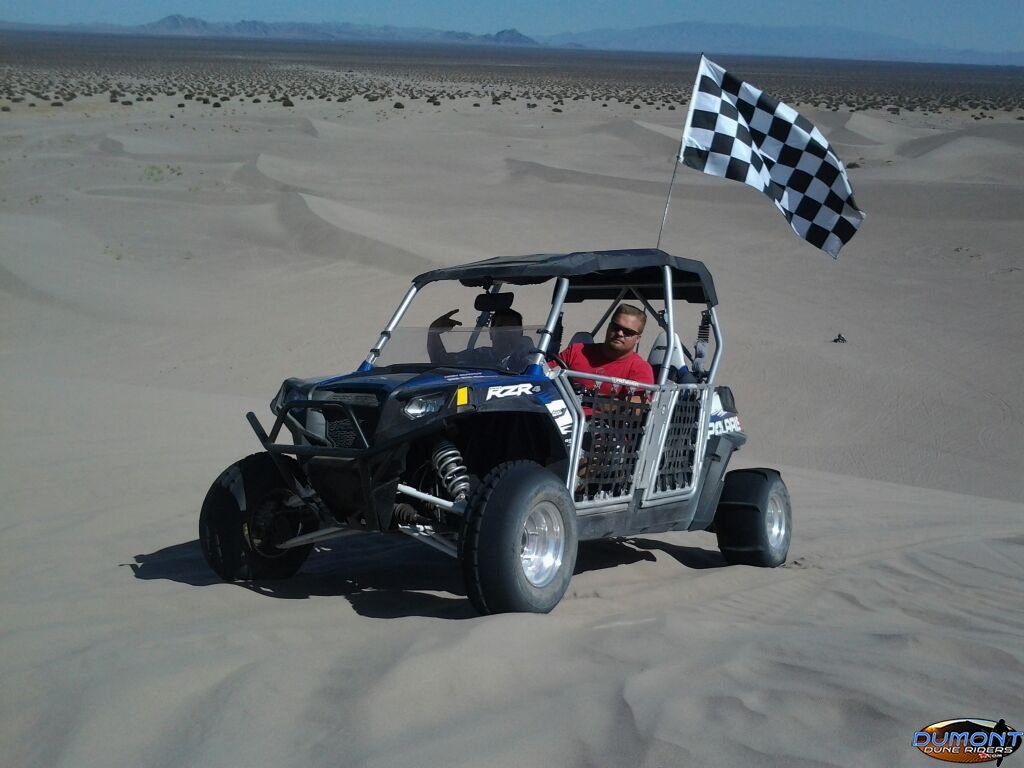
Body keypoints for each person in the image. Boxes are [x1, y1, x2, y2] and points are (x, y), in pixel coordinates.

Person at [556, 303, 654, 396]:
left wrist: (592, 398)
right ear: (609, 327)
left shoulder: (639, 368)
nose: (620, 333)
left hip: (597, 409)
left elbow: (638, 402)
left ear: (637, 339)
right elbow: (548, 374)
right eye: (616, 327)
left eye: (628, 332)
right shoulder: (576, 351)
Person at [427, 308, 531, 370]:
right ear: (491, 333)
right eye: (500, 328)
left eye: (511, 329)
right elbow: (441, 363)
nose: (505, 334)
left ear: (521, 333)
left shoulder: (530, 361)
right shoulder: (478, 356)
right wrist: (433, 332)